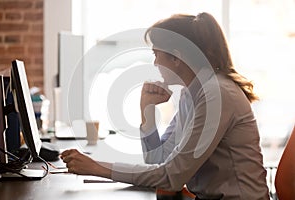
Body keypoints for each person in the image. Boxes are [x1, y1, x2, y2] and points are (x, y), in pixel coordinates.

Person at [61, 12, 270, 199]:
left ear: (176, 57)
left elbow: (172, 177)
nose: (154, 63)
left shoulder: (217, 95)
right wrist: (147, 111)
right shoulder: (192, 94)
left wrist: (97, 167)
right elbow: (157, 160)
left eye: (156, 54)